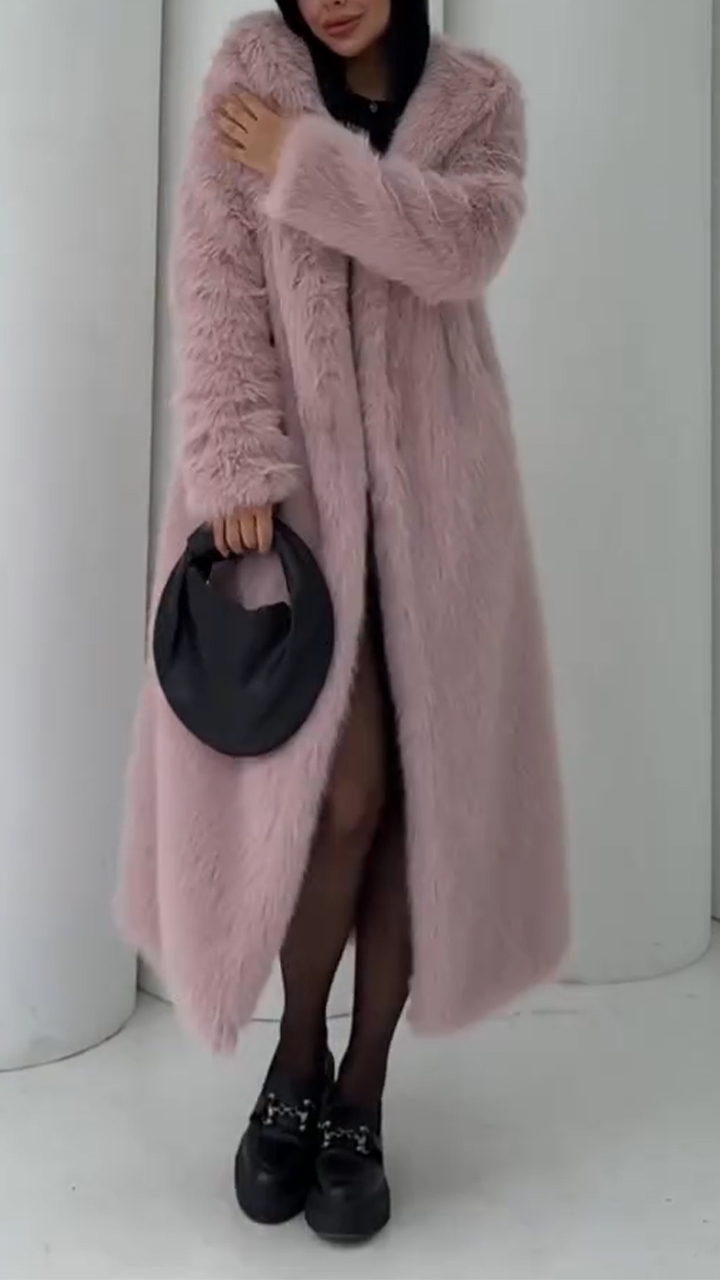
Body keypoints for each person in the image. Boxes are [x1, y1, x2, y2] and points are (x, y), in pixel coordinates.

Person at [119, 0, 568, 1245]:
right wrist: (234, 463)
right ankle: (299, 1059)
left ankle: (361, 1092)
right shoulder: (250, 80)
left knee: (420, 803)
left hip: (444, 517)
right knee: (345, 795)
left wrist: (309, 167)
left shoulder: (479, 101)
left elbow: (465, 247)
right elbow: (214, 282)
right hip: (301, 517)